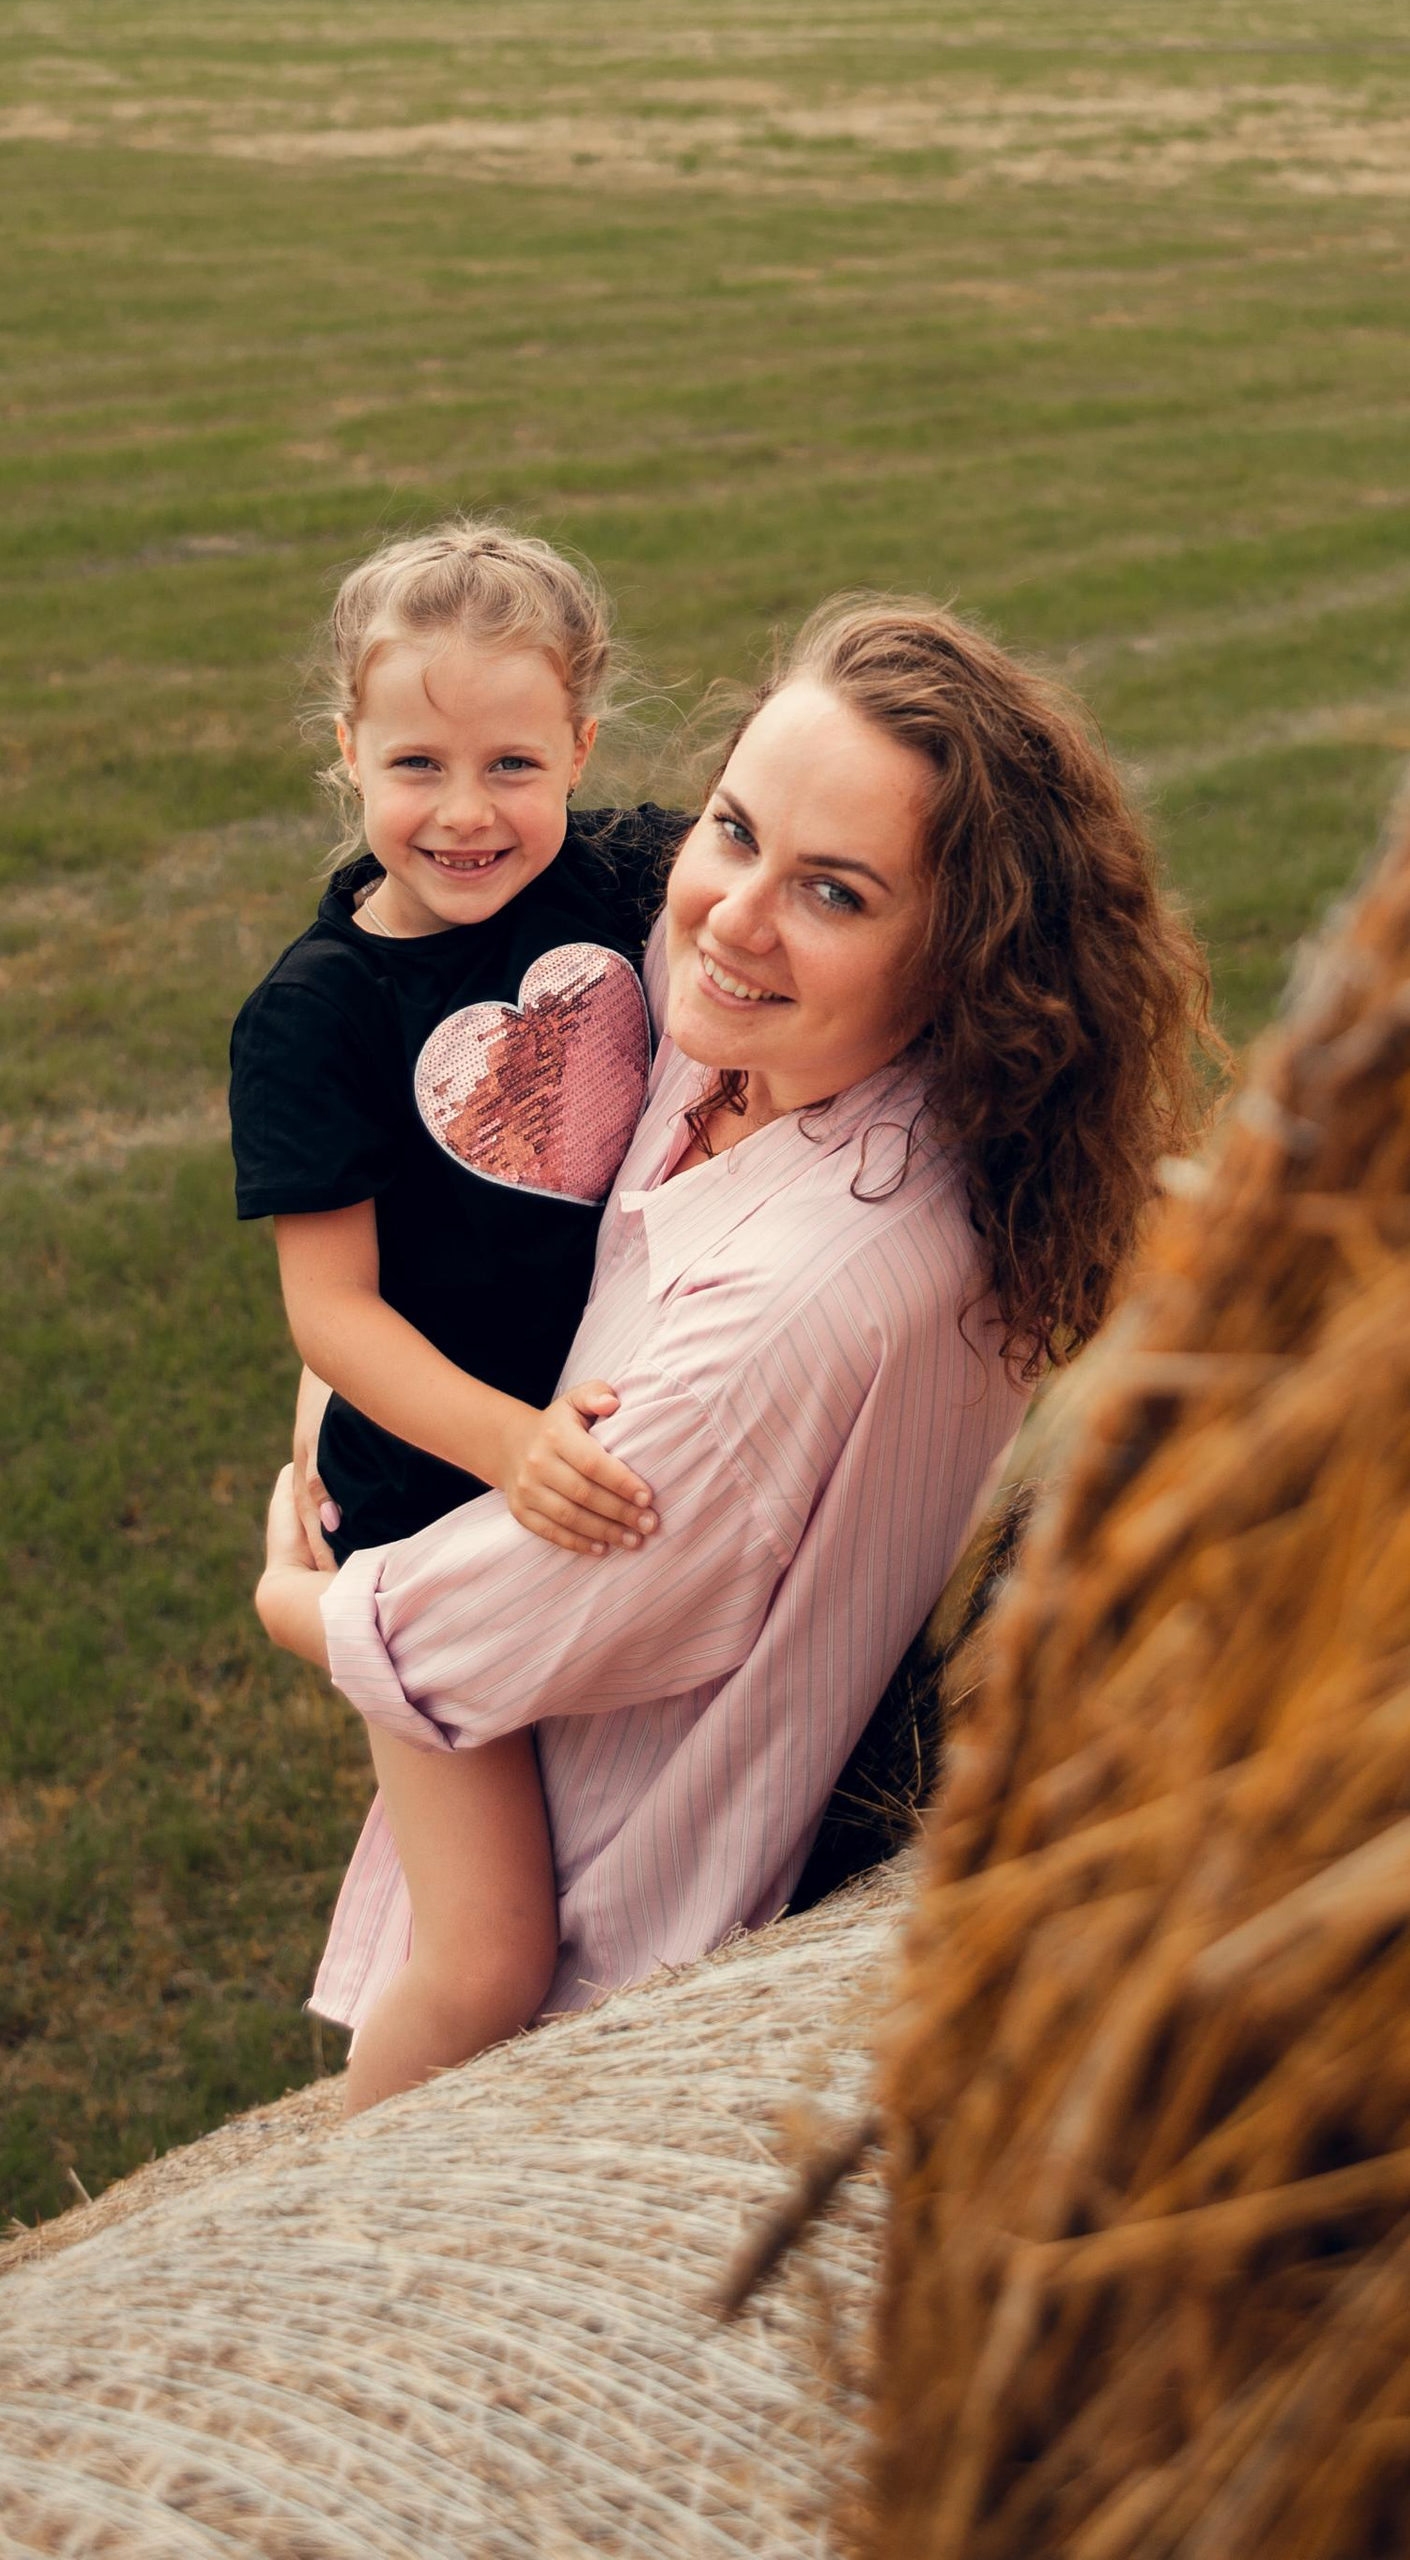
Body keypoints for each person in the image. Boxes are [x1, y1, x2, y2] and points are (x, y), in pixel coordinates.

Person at [256, 593, 1212, 2110]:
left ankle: (335, 2222)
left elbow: (478, 1632)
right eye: (734, 830)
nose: (730, 919)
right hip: (527, 1776)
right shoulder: (731, 1028)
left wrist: (289, 1590)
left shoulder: (794, 1305)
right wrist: (338, 1372)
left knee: (405, 2112)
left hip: (597, 1971)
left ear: (964, 956)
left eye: (835, 892)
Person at [229, 522, 682, 2099]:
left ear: (583, 748)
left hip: (612, 1434)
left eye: (514, 763)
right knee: (491, 1955)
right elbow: (334, 1315)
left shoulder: (627, 878)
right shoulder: (314, 1016)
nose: (469, 812)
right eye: (418, 763)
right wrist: (510, 1446)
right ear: (346, 752)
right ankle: (341, 2210)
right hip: (436, 1500)